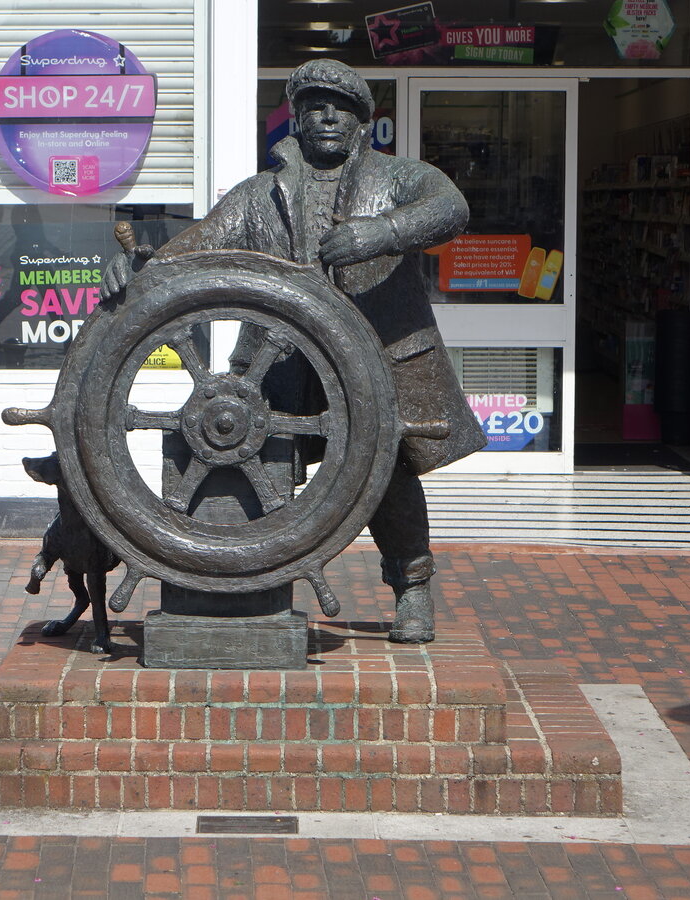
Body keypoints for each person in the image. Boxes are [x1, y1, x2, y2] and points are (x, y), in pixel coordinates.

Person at [102, 59, 486, 642]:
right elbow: (198, 247)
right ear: (297, 121)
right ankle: (253, 580)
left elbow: (451, 207)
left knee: (389, 473)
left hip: (380, 353)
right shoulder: (261, 196)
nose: (327, 117)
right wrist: (140, 268)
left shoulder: (399, 178)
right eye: (314, 107)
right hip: (282, 362)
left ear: (362, 123)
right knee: (248, 453)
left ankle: (413, 587)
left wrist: (378, 233)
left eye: (342, 108)